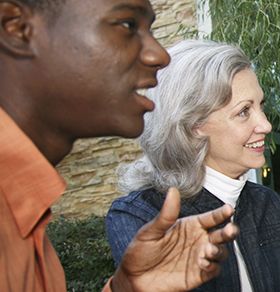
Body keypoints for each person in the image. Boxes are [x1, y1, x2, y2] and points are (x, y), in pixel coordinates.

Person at [0, 0, 240, 291]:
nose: (160, 56)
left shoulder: (23, 206)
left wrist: (125, 287)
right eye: (127, 25)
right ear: (17, 29)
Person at [104, 39, 280, 292]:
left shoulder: (271, 206)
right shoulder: (140, 217)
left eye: (260, 106)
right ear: (193, 125)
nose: (265, 125)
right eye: (244, 112)